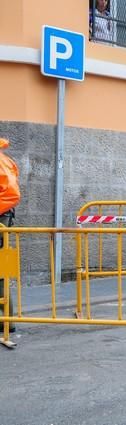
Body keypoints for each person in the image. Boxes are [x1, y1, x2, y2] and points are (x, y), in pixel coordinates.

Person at [0, 138, 20, 333]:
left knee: (1, 271)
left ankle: (6, 321)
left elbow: (12, 194)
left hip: (1, 219)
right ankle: (6, 321)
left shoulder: (1, 161)